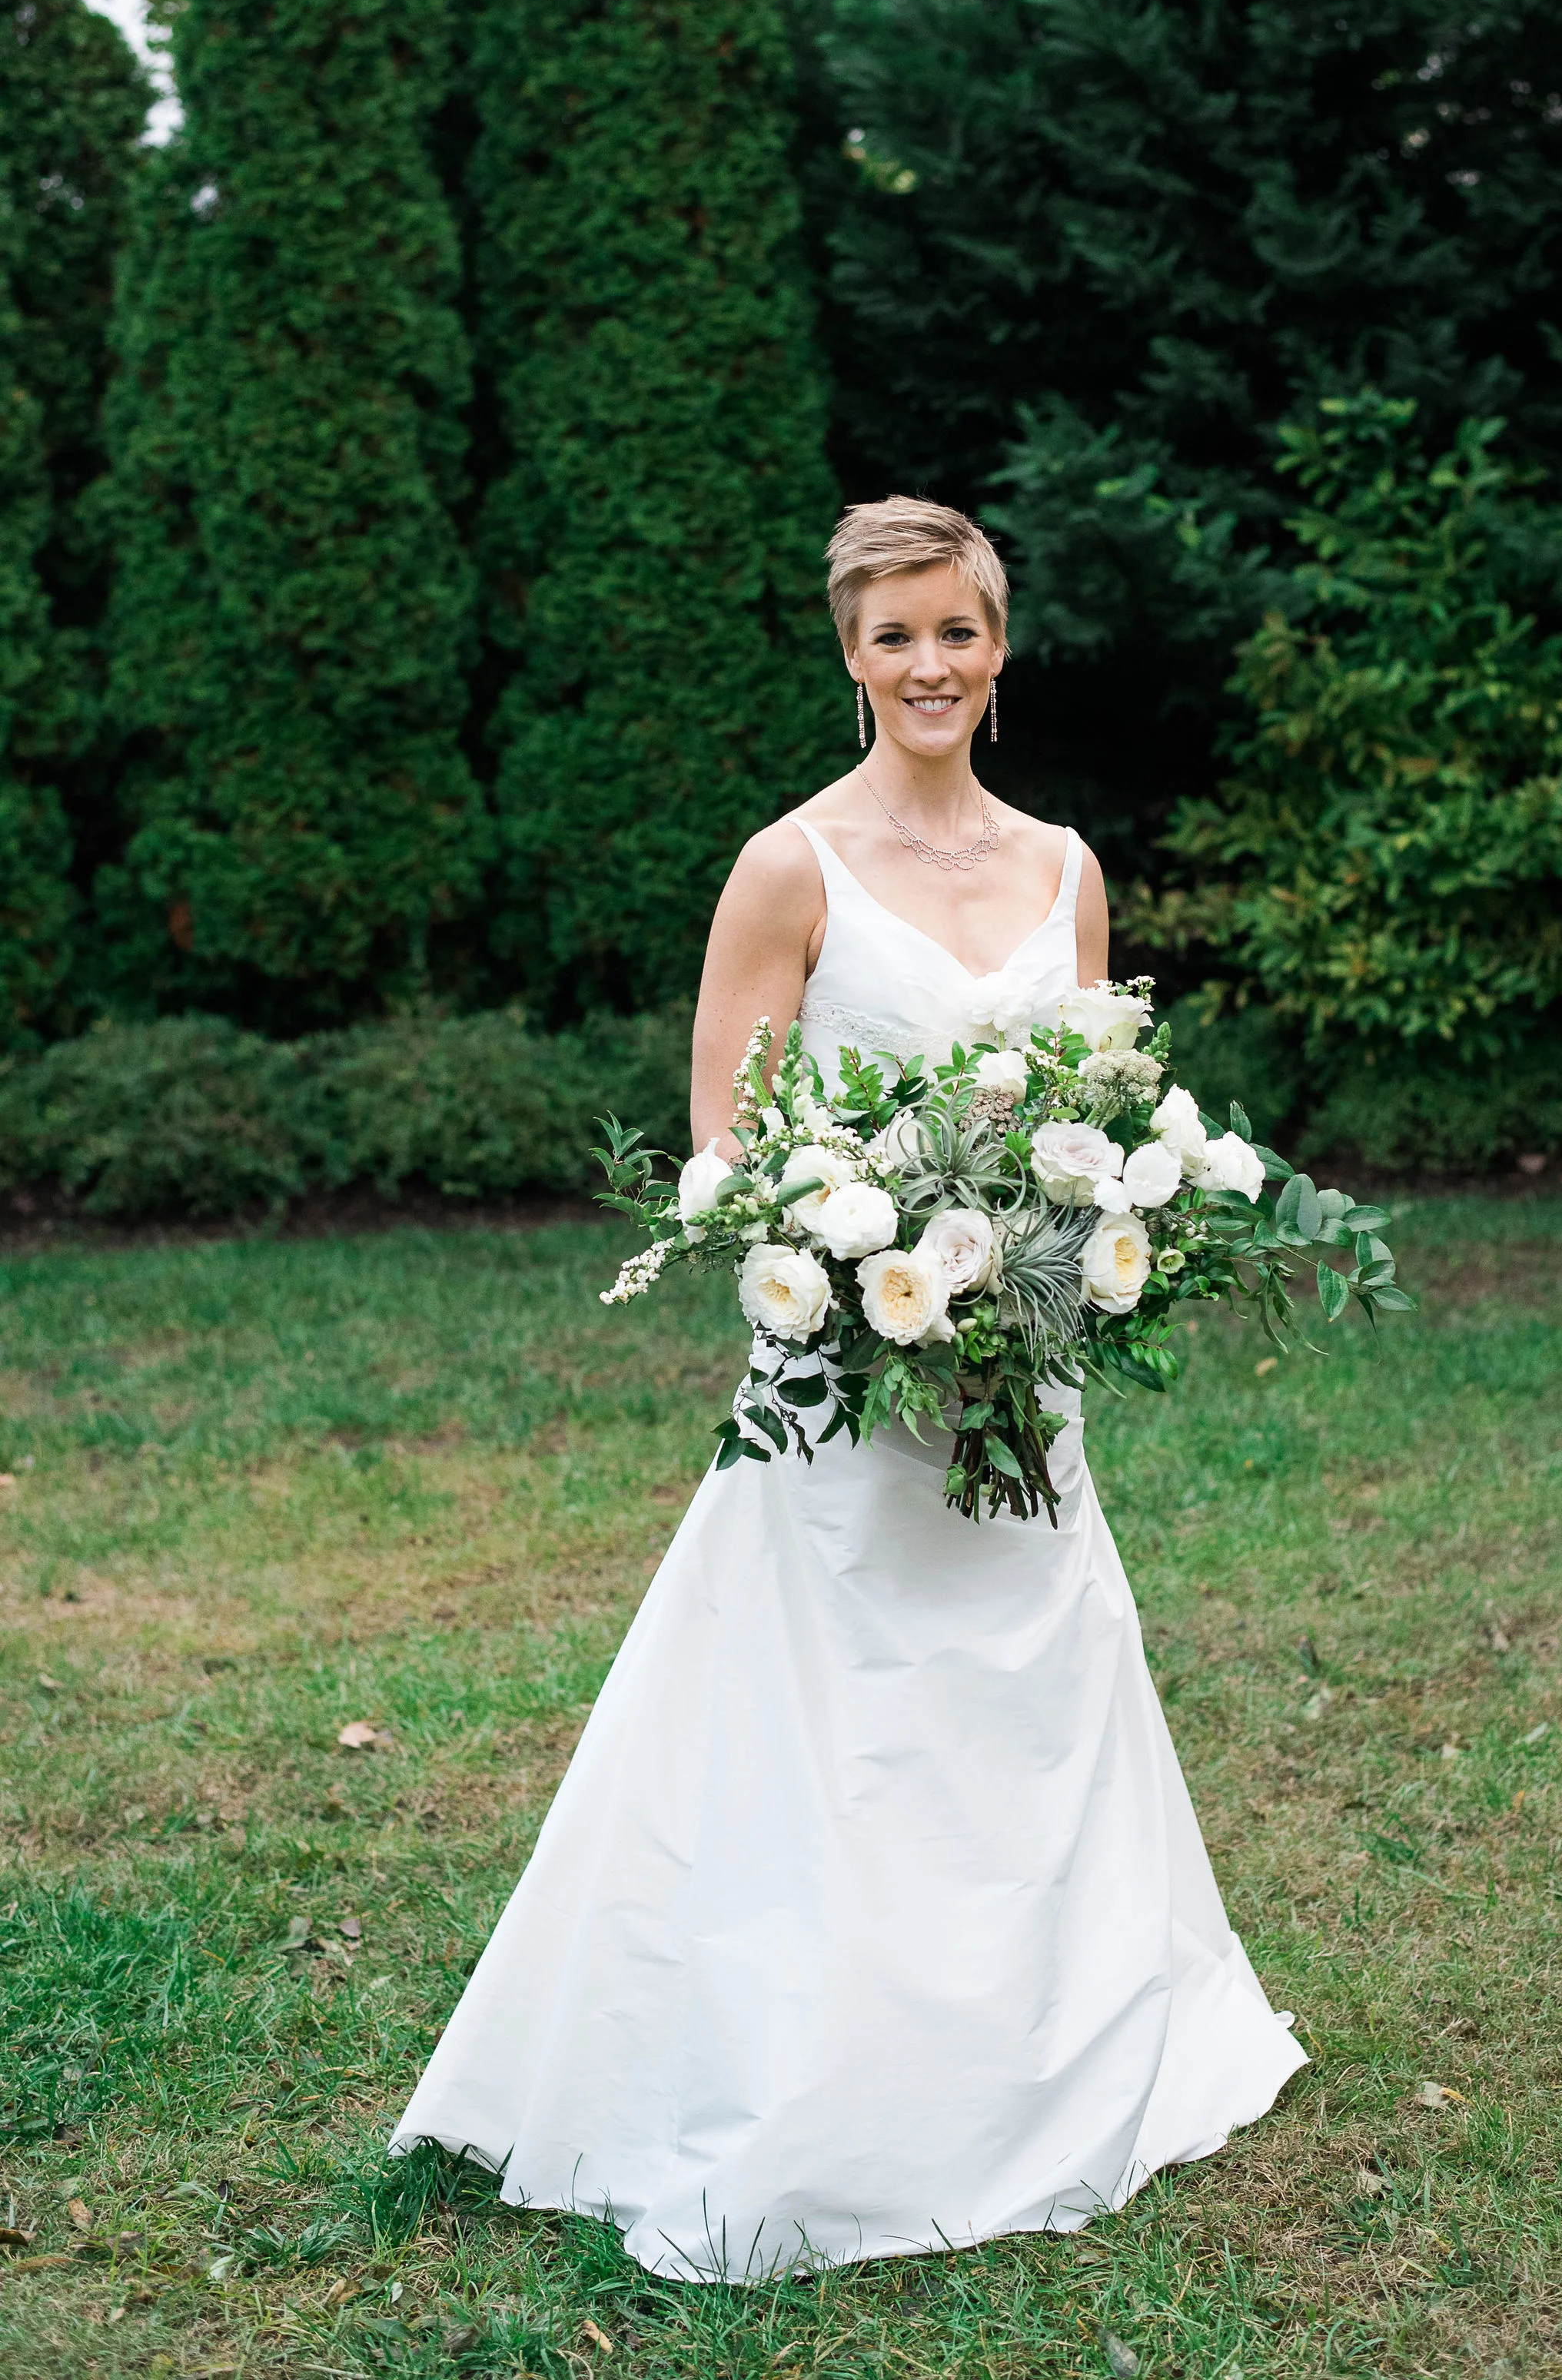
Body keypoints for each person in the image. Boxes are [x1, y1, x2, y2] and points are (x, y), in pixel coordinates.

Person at [390, 497, 1306, 2280]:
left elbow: (1098, 1112)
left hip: (1025, 1377)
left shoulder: (1064, 868)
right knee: (839, 1721)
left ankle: (1062, 2052)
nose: (928, 665)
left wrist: (1068, 1237)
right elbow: (726, 1149)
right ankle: (817, 2084)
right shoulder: (787, 866)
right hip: (847, 1376)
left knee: (1032, 1693)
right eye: (892, 636)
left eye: (955, 630)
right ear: (848, 657)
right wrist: (873, 1275)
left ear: (1000, 642)